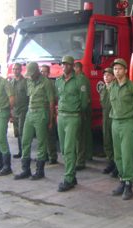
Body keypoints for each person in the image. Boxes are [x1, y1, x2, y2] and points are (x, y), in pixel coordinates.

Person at [14, 62, 55, 180]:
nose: (30, 76)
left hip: (41, 113)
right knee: (25, 140)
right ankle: (25, 170)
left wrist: (51, 120)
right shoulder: (29, 81)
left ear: (37, 72)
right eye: (29, 74)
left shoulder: (46, 82)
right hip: (30, 112)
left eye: (32, 74)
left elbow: (51, 102)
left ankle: (39, 171)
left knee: (41, 143)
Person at [109, 58, 133, 200]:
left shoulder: (132, 87)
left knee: (127, 154)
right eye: (115, 69)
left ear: (125, 70)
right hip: (115, 123)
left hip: (128, 122)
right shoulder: (112, 86)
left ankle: (129, 184)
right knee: (118, 155)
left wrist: (130, 117)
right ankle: (122, 181)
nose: (117, 71)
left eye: (119, 69)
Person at [56, 56, 88, 192]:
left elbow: (84, 102)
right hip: (61, 117)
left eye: (67, 64)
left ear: (72, 66)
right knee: (63, 148)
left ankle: (68, 178)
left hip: (73, 117)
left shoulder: (80, 80)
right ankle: (72, 175)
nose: (64, 66)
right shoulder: (58, 81)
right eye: (63, 64)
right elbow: (59, 98)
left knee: (69, 148)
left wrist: (76, 112)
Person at [74, 61, 93, 170]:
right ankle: (88, 155)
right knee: (86, 132)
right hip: (85, 108)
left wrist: (81, 110)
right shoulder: (83, 78)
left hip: (83, 109)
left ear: (77, 68)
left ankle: (83, 157)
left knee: (81, 135)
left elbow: (84, 98)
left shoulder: (81, 79)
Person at [99, 67, 118, 177]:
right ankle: (111, 162)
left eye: (109, 75)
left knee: (114, 141)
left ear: (113, 77)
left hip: (113, 116)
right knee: (107, 140)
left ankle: (117, 165)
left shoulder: (115, 88)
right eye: (105, 75)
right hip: (105, 116)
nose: (106, 77)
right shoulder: (103, 89)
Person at [10, 63, 28, 159]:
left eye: (17, 69)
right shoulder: (11, 82)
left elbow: (29, 96)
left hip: (23, 110)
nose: (15, 71)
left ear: (20, 70)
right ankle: (20, 152)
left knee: (22, 132)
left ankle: (24, 153)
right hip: (15, 111)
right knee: (17, 132)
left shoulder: (25, 82)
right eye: (14, 69)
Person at [40, 64, 58, 164]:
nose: (43, 73)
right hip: (40, 111)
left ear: (48, 73)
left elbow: (55, 97)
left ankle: (53, 156)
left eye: (45, 72)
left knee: (50, 135)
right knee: (42, 135)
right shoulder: (38, 83)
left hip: (49, 111)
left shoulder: (52, 83)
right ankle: (44, 155)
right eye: (41, 71)